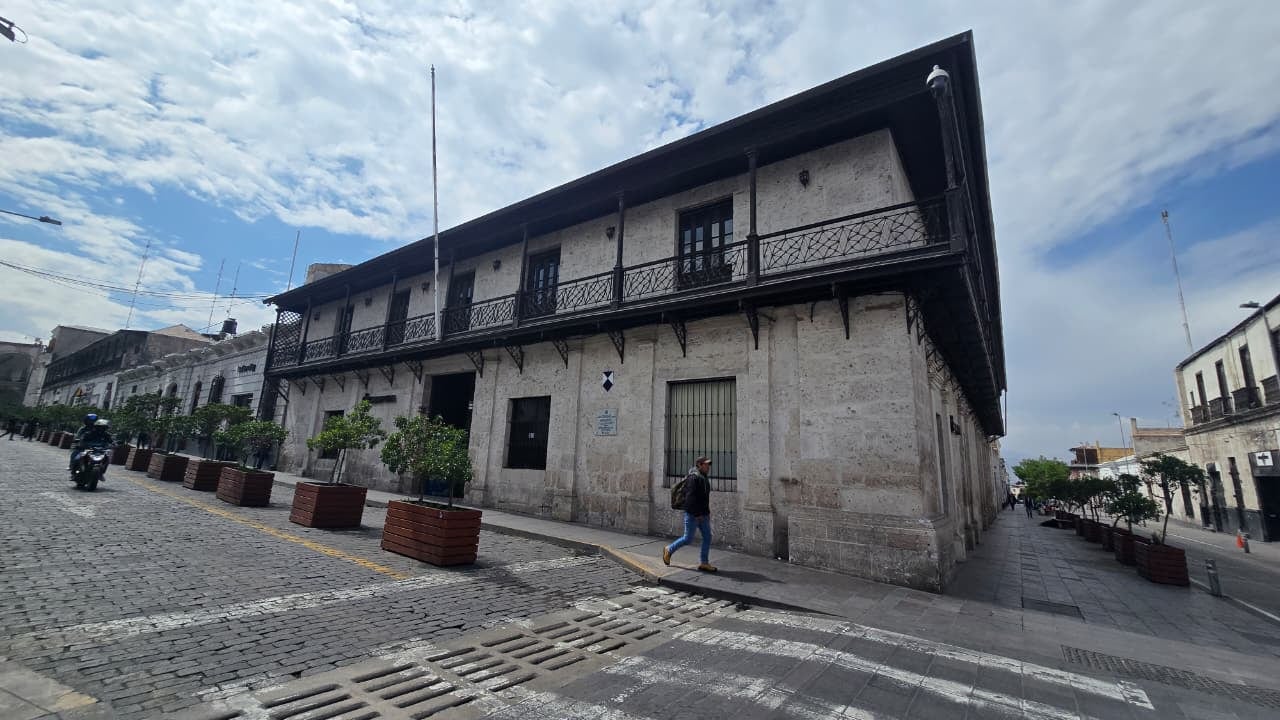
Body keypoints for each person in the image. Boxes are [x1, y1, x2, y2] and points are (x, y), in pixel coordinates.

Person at [663, 456, 717, 572]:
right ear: (699, 465)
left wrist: (706, 512)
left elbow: (703, 497)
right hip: (694, 515)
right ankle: (669, 550)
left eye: (708, 465)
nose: (708, 467)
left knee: (707, 537)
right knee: (687, 539)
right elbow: (690, 499)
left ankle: (704, 563)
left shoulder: (703, 478)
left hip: (704, 514)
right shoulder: (693, 478)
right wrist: (697, 514)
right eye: (705, 464)